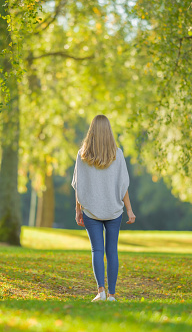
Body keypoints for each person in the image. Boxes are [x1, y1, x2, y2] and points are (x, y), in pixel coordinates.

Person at [71, 114, 136, 302]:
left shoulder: (82, 154)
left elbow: (78, 185)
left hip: (91, 210)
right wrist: (129, 210)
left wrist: (78, 210)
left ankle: (101, 291)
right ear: (108, 131)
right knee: (112, 251)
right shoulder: (118, 154)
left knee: (96, 251)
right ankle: (112, 295)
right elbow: (123, 187)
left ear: (91, 131)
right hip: (113, 210)